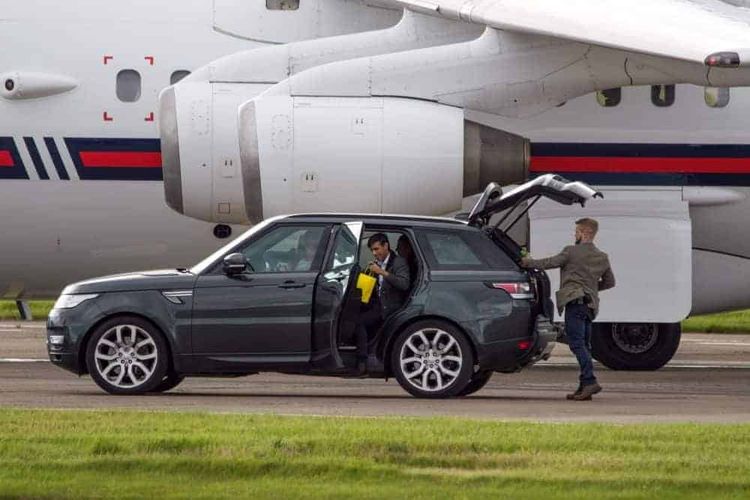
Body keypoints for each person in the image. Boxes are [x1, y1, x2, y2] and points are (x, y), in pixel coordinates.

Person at [521, 218, 615, 401]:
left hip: (575, 302)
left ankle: (589, 381)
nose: (575, 235)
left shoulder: (571, 252)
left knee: (576, 344)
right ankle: (583, 389)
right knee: (585, 345)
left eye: (577, 232)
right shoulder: (602, 257)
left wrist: (527, 262)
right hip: (590, 306)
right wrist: (591, 289)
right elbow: (610, 282)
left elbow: (549, 263)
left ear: (584, 233)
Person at [354, 233, 411, 374]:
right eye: (372, 250)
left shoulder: (399, 262)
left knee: (360, 322)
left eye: (377, 249)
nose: (375, 253)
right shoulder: (377, 262)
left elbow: (404, 284)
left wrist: (382, 272)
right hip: (377, 304)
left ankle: (362, 361)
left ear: (386, 246)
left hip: (391, 307)